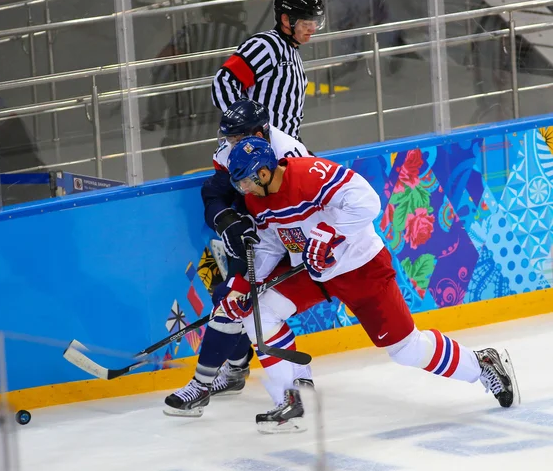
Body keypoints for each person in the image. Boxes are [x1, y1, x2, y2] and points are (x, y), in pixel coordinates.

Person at [213, 136, 519, 434]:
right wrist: (243, 287)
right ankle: (290, 400)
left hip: (361, 268)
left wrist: (330, 232)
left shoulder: (309, 173)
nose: (244, 189)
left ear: (264, 172)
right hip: (314, 272)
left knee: (405, 350)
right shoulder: (257, 199)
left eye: (245, 181)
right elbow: (269, 245)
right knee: (261, 310)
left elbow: (367, 201)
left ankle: (482, 363)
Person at [163, 99, 311, 417]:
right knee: (229, 299)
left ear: (259, 132)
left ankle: (279, 376)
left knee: (241, 304)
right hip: (255, 241)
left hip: (288, 241)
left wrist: (299, 248)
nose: (230, 146)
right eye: (228, 139)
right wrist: (227, 221)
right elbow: (214, 194)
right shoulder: (234, 153)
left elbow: (307, 202)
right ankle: (229, 373)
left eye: (235, 138)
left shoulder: (290, 153)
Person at [141, 0, 251, 176]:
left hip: (182, 139)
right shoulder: (247, 43)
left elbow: (163, 71)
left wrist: (154, 114)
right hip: (227, 141)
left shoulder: (191, 33)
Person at [211, 0, 325, 140]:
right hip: (262, 147)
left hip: (283, 144)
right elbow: (224, 81)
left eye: (316, 22)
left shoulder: (290, 50)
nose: (313, 29)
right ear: (286, 19)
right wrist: (245, 129)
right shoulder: (266, 46)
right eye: (306, 23)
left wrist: (295, 144)